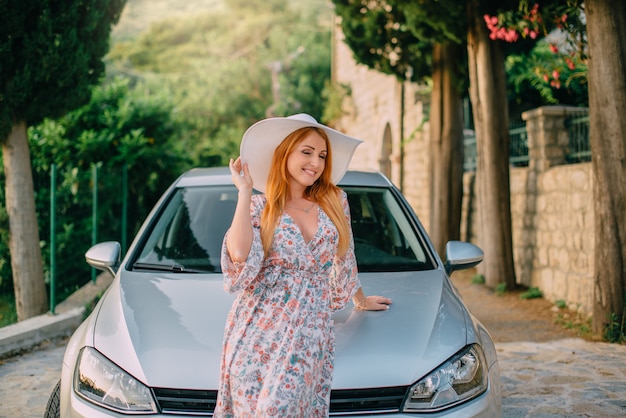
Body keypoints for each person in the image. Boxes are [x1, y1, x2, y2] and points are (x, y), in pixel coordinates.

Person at [214, 113, 392, 417]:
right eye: (306, 152)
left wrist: (358, 298)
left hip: (309, 328)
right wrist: (244, 192)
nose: (317, 162)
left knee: (279, 409)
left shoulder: (335, 200)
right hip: (257, 328)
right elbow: (240, 255)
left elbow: (344, 256)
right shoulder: (260, 208)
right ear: (285, 154)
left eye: (322, 155)